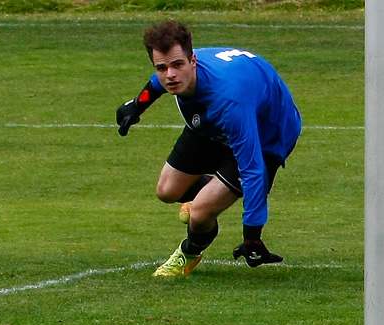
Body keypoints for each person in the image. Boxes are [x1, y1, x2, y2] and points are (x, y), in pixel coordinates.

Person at [116, 20, 302, 277]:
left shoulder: (229, 100)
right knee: (167, 191)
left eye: (177, 65)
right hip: (213, 123)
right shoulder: (177, 72)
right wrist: (137, 105)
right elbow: (157, 83)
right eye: (162, 67)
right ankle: (208, 192)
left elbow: (253, 168)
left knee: (201, 213)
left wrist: (252, 236)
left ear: (193, 61)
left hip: (265, 134)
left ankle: (188, 251)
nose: (170, 74)